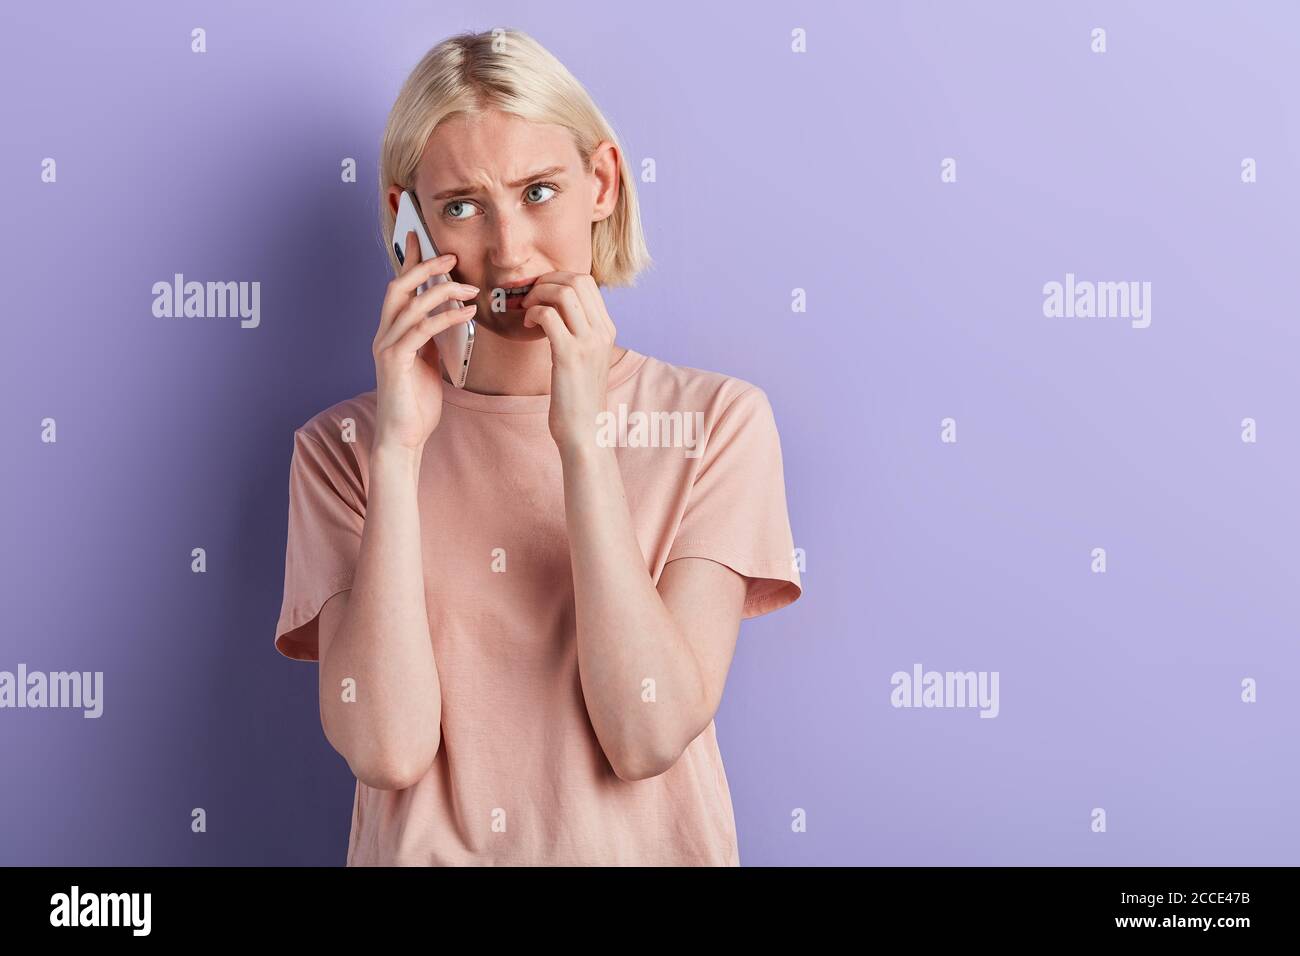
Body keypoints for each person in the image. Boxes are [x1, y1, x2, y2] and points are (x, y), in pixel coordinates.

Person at [273, 28, 802, 866]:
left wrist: (583, 442)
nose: (509, 250)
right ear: (403, 217)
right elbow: (386, 750)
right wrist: (400, 451)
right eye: (461, 207)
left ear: (601, 182)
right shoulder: (343, 450)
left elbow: (647, 733)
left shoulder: (716, 423)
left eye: (539, 192)